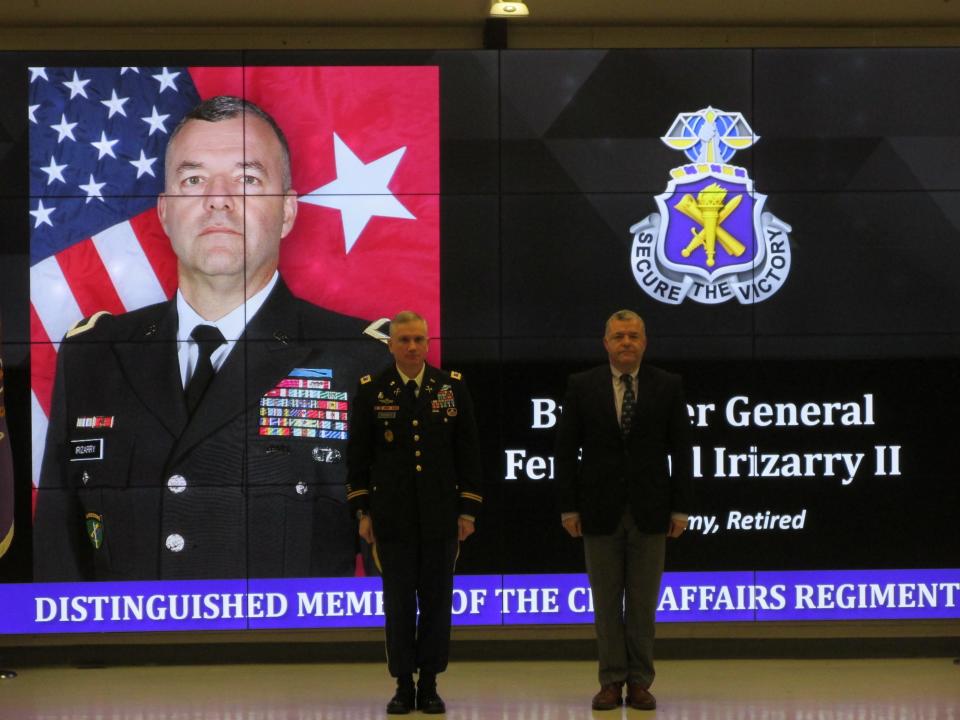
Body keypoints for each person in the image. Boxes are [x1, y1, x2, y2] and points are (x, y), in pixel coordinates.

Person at [34, 96, 386, 581]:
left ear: (287, 212)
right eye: (193, 179)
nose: (218, 199)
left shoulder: (362, 362)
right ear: (164, 212)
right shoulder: (94, 356)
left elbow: (401, 570)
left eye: (247, 179)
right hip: (125, 656)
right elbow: (59, 558)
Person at [555, 309, 693, 711]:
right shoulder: (582, 386)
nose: (626, 342)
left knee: (643, 604)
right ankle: (611, 681)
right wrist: (568, 508)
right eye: (619, 336)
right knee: (606, 602)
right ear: (606, 343)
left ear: (644, 342)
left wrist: (681, 508)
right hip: (598, 512)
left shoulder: (668, 385)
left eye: (633, 335)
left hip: (652, 511)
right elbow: (565, 452)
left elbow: (682, 451)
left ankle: (640, 682)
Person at [346, 311, 482, 715]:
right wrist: (362, 511)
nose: (411, 347)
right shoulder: (372, 390)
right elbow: (358, 457)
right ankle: (403, 684)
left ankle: (432, 683)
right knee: (399, 603)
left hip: (441, 516)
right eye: (403, 339)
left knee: (438, 602)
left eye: (418, 339)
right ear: (390, 345)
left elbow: (468, 454)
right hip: (392, 517)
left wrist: (468, 512)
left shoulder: (450, 388)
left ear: (428, 344)